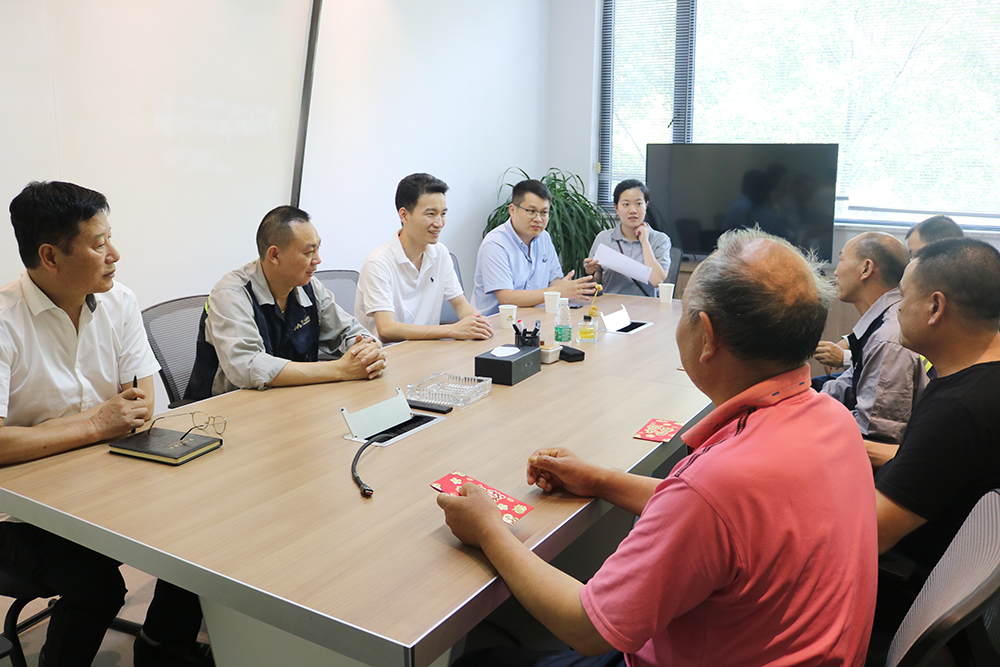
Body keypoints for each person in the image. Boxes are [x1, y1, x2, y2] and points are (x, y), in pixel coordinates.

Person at [441, 228, 877, 667]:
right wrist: (600, 479)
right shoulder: (834, 420)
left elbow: (587, 627)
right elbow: (724, 517)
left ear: (707, 336)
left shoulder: (716, 486)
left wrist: (488, 529)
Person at [0, 181, 206, 667]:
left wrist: (61, 431)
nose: (114, 254)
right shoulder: (5, 319)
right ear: (50, 257)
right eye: (98, 244)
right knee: (96, 584)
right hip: (16, 515)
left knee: (202, 527)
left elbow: (141, 406)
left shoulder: (119, 301)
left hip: (102, 485)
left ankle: (162, 646)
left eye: (110, 238)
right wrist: (96, 424)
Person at [872, 238, 1000, 632]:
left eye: (902, 296)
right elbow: (928, 462)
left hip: (906, 588)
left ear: (935, 307)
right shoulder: (980, 380)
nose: (896, 310)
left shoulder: (959, 409)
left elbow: (870, 535)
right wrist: (848, 444)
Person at [185, 205, 386, 400]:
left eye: (318, 249)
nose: (318, 260)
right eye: (309, 252)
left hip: (292, 399)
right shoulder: (231, 293)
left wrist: (367, 351)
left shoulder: (309, 286)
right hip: (226, 410)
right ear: (274, 255)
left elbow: (350, 331)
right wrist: (339, 370)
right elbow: (248, 366)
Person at [814, 232, 928, 454]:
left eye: (842, 259)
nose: (835, 272)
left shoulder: (887, 338)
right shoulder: (879, 324)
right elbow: (850, 383)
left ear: (866, 269)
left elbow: (875, 435)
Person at [355, 173, 492, 342]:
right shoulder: (378, 263)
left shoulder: (440, 253)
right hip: (388, 354)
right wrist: (451, 330)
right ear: (404, 215)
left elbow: (461, 306)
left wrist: (481, 324)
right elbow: (386, 329)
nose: (439, 223)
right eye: (431, 214)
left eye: (443, 214)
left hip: (427, 349)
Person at [472, 180, 596, 316]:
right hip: (494, 322)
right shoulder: (495, 244)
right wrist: (558, 291)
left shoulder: (544, 238)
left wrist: (571, 287)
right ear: (512, 210)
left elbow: (553, 281)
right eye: (531, 211)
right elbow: (506, 298)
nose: (538, 219)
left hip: (533, 317)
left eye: (544, 212)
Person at [583, 179, 671, 297]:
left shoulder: (660, 239)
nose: (633, 210)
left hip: (646, 306)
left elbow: (657, 281)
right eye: (626, 204)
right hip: (610, 304)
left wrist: (645, 242)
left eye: (638, 204)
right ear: (616, 208)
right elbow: (596, 283)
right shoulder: (603, 238)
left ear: (646, 206)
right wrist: (590, 272)